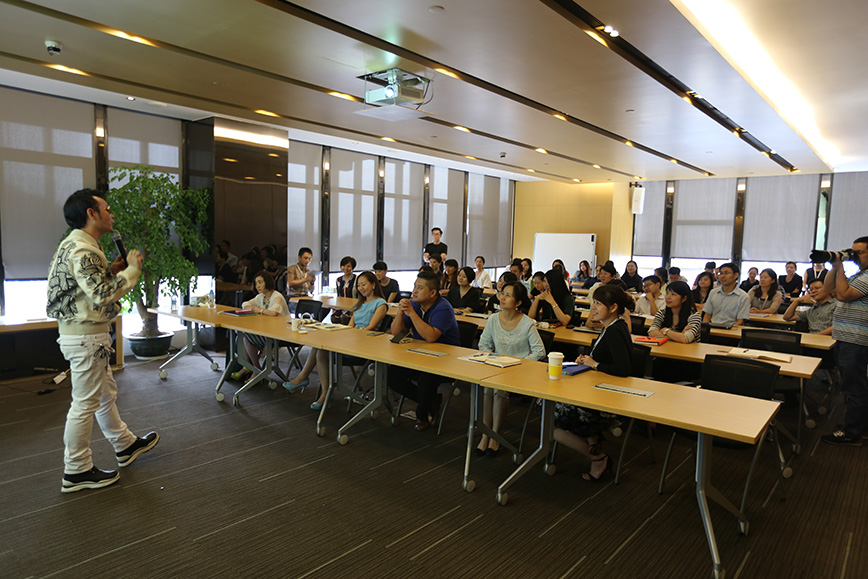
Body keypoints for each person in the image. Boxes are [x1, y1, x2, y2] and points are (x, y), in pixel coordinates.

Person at [46, 188, 158, 493]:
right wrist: (132, 271)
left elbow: (82, 289)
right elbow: (101, 294)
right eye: (107, 209)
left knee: (104, 394)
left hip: (83, 335)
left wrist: (110, 271)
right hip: (86, 337)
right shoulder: (84, 250)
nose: (112, 214)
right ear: (91, 213)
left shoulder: (75, 245)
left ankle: (125, 444)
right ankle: (77, 470)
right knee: (84, 404)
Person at [553, 285, 633, 482]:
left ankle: (598, 458)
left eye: (598, 303)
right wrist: (587, 360)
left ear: (613, 307)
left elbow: (623, 369)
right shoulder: (610, 327)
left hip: (608, 400)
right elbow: (605, 358)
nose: (593, 308)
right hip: (599, 391)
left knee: (551, 420)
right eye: (593, 303)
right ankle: (593, 441)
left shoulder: (615, 330)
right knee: (549, 405)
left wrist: (594, 364)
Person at [285, 271, 387, 409]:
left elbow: (370, 328)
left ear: (373, 285)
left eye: (363, 284)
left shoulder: (380, 304)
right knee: (320, 347)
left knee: (321, 349)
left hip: (366, 346)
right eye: (358, 285)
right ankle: (324, 390)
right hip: (353, 341)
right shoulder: (359, 304)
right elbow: (350, 327)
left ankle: (308, 381)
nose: (361, 288)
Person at [475, 281, 544, 456]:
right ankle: (485, 434)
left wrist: (519, 363)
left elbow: (539, 351)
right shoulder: (493, 319)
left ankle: (495, 435)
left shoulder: (527, 323)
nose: (502, 297)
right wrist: (493, 359)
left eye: (508, 295)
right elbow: (483, 344)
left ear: (518, 302)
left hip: (519, 371)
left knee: (499, 389)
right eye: (502, 293)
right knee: (486, 387)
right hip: (496, 367)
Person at [388, 271, 460, 431]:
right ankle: (431, 401)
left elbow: (431, 337)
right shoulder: (415, 304)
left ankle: (422, 414)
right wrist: (400, 312)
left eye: (419, 288)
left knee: (426, 378)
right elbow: (398, 333)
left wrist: (412, 314)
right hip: (421, 355)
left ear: (433, 293)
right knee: (392, 374)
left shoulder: (443, 308)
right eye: (414, 287)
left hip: (446, 360)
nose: (414, 291)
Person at [820, 237, 868, 445]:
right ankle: (858, 425)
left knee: (853, 387)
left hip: (855, 340)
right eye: (853, 252)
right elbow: (829, 290)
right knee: (851, 385)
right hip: (845, 338)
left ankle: (852, 432)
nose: (855, 256)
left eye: (860, 252)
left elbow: (844, 295)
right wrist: (835, 266)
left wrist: (840, 268)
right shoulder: (859, 275)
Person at [231, 271, 290, 383]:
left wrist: (258, 309)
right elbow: (245, 304)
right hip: (267, 330)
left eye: (260, 282)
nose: (257, 286)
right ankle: (251, 367)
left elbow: (274, 312)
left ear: (267, 282)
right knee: (243, 336)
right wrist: (251, 307)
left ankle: (255, 369)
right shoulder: (261, 297)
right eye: (256, 283)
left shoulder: (277, 296)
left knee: (247, 338)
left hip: (281, 332)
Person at [648, 281, 703, 382]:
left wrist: (665, 331)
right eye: (667, 293)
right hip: (665, 356)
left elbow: (686, 338)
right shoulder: (662, 312)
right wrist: (679, 335)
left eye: (673, 294)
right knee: (657, 365)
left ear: (684, 298)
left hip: (687, 360)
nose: (668, 297)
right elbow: (651, 332)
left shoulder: (694, 315)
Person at [702, 262, 750, 326]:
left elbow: (740, 321)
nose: (722, 276)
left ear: (736, 275)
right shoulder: (713, 292)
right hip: (712, 328)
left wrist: (727, 330)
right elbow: (707, 315)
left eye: (726, 273)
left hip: (731, 329)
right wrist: (706, 328)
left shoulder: (743, 297)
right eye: (721, 273)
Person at [332, 255, 357, 323]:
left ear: (352, 267)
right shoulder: (338, 280)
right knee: (334, 318)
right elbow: (338, 295)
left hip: (354, 307)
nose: (346, 268)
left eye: (348, 266)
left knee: (345, 319)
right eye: (343, 266)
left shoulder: (357, 279)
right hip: (341, 307)